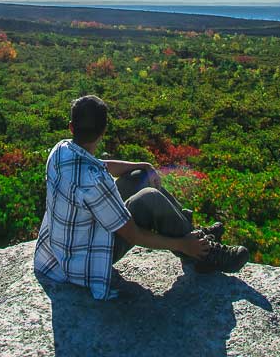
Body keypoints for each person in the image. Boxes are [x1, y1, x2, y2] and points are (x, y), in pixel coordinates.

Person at [34, 95, 250, 300]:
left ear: (71, 127)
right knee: (149, 199)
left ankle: (195, 236)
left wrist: (143, 166)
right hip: (86, 259)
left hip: (66, 248)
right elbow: (133, 235)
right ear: (104, 131)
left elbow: (102, 165)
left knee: (139, 177)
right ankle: (202, 253)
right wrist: (181, 244)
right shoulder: (95, 181)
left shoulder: (60, 151)